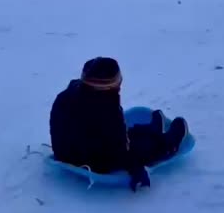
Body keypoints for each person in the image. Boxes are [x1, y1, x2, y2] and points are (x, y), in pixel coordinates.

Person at [49, 56, 189, 192]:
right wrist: (137, 169)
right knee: (142, 148)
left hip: (65, 153)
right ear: (111, 86)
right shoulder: (108, 110)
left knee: (115, 134)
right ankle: (167, 143)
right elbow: (121, 151)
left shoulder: (66, 95)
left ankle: (151, 131)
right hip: (93, 162)